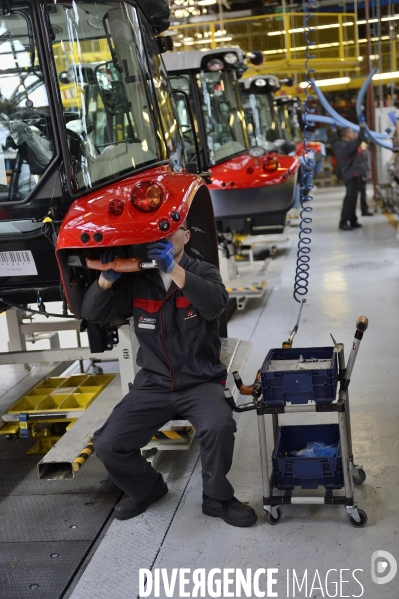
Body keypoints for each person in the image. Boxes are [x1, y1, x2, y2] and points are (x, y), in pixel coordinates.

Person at [81, 222, 257, 528]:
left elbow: (216, 304)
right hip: (154, 384)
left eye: (172, 228)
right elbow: (93, 314)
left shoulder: (203, 272)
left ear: (186, 236)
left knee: (218, 426)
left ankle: (217, 498)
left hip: (199, 381)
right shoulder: (138, 282)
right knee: (108, 444)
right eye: (157, 231)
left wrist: (174, 269)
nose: (164, 236)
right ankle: (148, 489)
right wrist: (106, 279)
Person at [332, 118, 368, 231]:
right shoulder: (347, 146)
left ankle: (353, 220)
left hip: (347, 175)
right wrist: (362, 126)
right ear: (347, 134)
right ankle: (343, 222)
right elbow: (360, 140)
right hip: (353, 175)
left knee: (350, 197)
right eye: (353, 132)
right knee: (351, 200)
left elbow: (333, 141)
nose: (354, 134)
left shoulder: (338, 145)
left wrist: (333, 131)